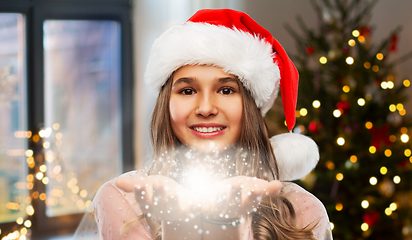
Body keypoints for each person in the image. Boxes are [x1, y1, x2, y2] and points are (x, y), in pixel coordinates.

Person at [73, 9, 332, 240]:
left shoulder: (302, 209)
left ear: (251, 108)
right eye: (187, 91)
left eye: (227, 90)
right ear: (167, 103)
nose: (206, 108)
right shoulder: (123, 202)